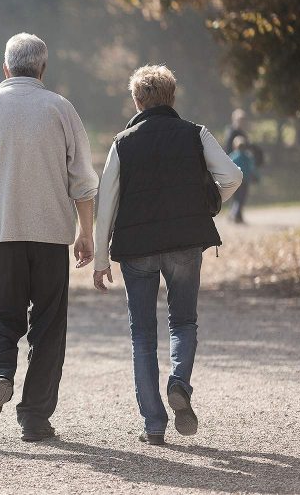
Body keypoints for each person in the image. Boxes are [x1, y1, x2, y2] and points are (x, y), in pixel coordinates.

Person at [0, 32, 99, 442]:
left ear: (5, 67)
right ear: (42, 68)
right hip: (51, 239)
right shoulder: (61, 109)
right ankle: (34, 419)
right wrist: (86, 232)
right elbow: (83, 181)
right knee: (48, 328)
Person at [92, 65, 242, 446]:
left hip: (136, 250)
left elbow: (106, 200)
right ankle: (179, 384)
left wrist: (100, 258)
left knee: (142, 334)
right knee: (184, 323)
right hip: (185, 243)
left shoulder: (122, 143)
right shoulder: (196, 134)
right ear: (172, 98)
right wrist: (207, 203)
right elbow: (233, 176)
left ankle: (154, 425)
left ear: (137, 101)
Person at [229, 136, 259, 224]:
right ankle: (236, 215)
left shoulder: (233, 156)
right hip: (245, 180)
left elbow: (229, 168)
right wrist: (256, 177)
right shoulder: (248, 156)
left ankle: (236, 215)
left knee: (236, 199)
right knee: (241, 199)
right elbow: (252, 168)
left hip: (235, 181)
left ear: (235, 146)